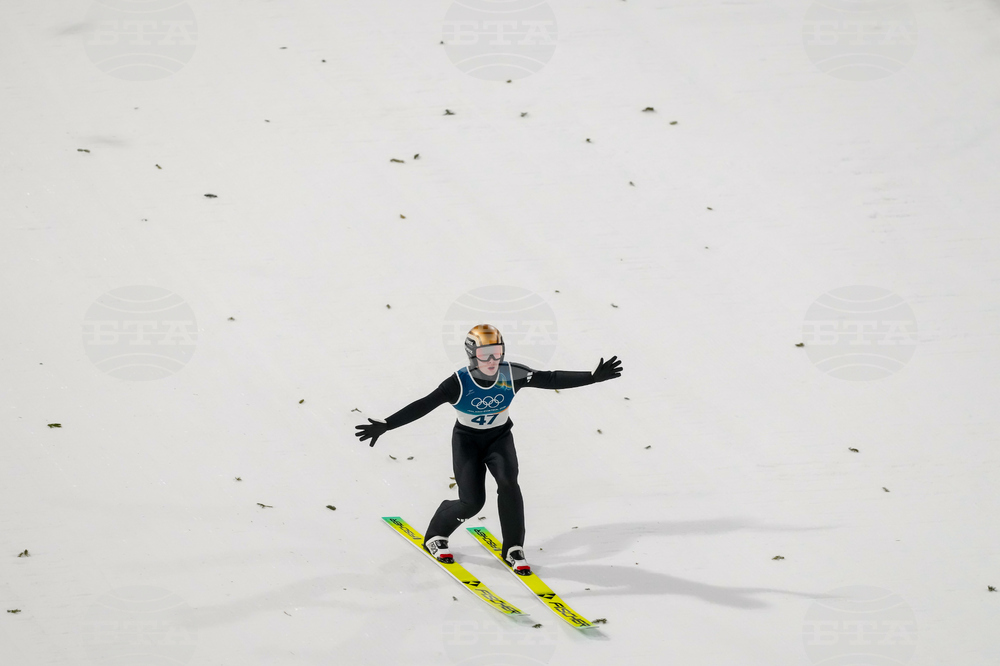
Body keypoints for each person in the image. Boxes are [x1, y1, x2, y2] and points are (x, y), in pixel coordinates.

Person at [355, 324, 622, 575]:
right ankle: (437, 533)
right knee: (472, 502)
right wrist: (388, 424)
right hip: (467, 442)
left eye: (498, 352)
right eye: (485, 355)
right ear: (472, 356)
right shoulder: (458, 383)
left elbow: (549, 378)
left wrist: (591, 378)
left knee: (509, 484)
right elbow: (424, 404)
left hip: (499, 439)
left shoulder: (511, 373)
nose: (492, 360)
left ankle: (514, 548)